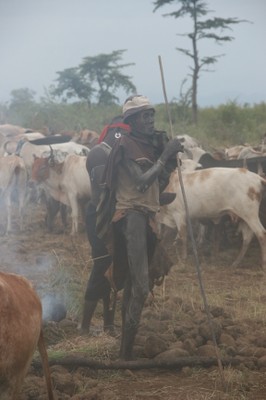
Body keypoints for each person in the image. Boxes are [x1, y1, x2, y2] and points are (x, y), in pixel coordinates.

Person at [96, 95, 183, 359]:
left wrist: (170, 157)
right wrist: (166, 154)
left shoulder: (146, 145)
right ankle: (125, 355)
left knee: (135, 284)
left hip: (146, 216)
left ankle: (125, 352)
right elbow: (143, 182)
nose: (151, 120)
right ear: (131, 120)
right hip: (131, 216)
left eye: (152, 114)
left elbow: (158, 181)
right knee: (141, 286)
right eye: (145, 116)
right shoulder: (127, 145)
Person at [80, 116, 131, 335]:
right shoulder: (99, 153)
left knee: (114, 267)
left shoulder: (115, 152)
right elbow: (103, 191)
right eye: (124, 135)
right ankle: (84, 326)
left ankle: (108, 324)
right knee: (101, 266)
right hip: (101, 217)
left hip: (116, 216)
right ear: (116, 133)